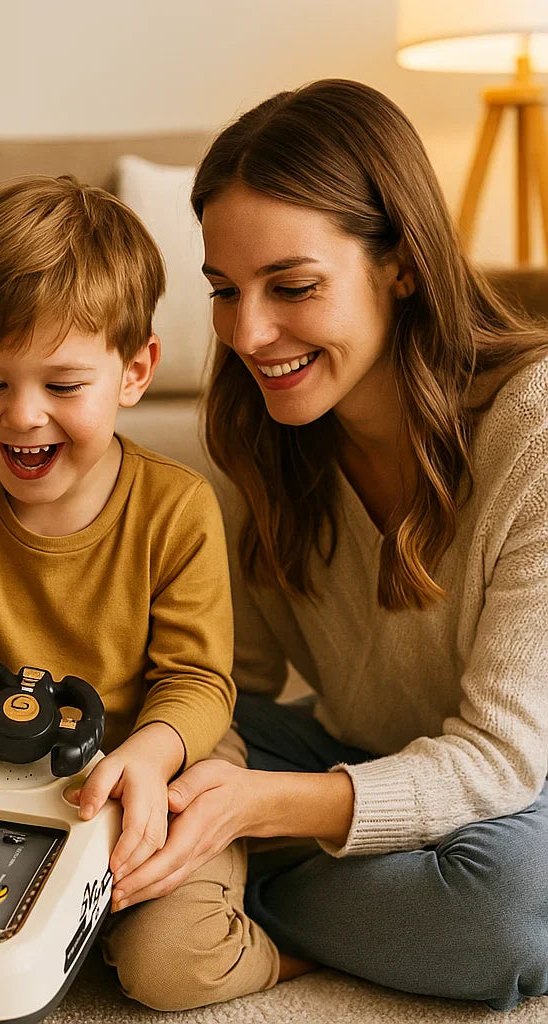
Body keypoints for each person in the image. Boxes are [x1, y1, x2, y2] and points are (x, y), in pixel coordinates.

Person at [111, 78, 548, 1011]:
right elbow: (231, 681)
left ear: (401, 264)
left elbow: (502, 758)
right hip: (350, 750)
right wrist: (184, 778)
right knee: (142, 747)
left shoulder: (535, 431)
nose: (249, 333)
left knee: (508, 908)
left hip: (518, 793)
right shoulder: (258, 435)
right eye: (225, 291)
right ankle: (282, 911)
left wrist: (250, 810)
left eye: (293, 287)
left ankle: (240, 912)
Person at [0, 173, 280, 1008]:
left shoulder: (177, 507)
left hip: (150, 761)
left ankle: (282, 937)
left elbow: (199, 682)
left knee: (170, 967)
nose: (23, 417)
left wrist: (151, 756)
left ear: (136, 370)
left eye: (63, 386)